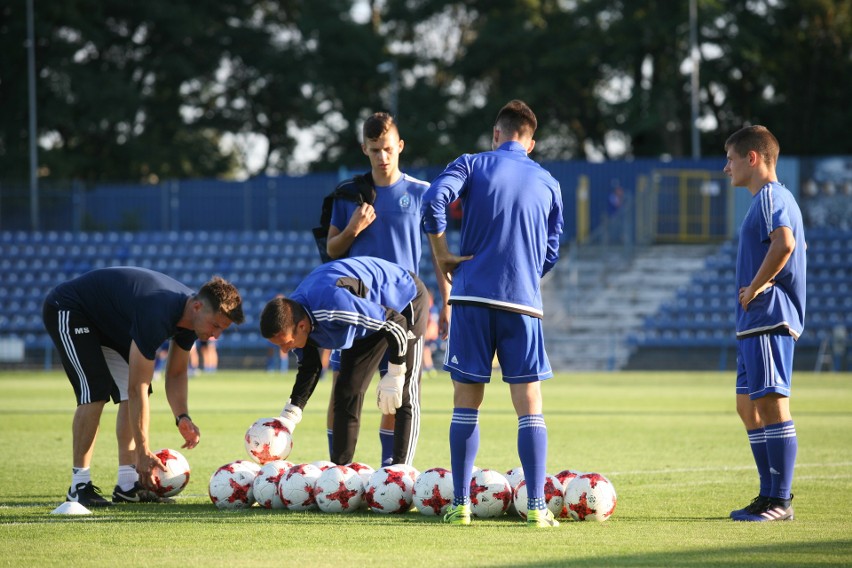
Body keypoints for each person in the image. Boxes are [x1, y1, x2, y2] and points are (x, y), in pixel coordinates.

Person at [421, 99, 564, 527]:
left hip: (471, 298)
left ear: (496, 134)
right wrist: (521, 271)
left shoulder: (472, 163)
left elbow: (433, 200)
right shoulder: (550, 182)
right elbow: (552, 251)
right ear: (532, 142)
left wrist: (442, 252)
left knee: (467, 402)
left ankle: (461, 504)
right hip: (522, 303)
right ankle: (537, 507)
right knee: (529, 404)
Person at [42, 267, 244, 507]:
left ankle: (127, 485)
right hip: (70, 308)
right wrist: (143, 449)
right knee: (95, 392)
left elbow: (177, 373)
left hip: (109, 324)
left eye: (222, 329)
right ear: (198, 308)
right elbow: (136, 386)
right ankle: (79, 486)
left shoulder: (192, 319)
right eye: (216, 326)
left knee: (138, 394)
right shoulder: (157, 311)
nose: (216, 335)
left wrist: (182, 417)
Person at [324, 112, 449, 466]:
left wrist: (447, 304)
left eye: (389, 148)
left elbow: (441, 257)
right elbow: (333, 249)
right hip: (357, 305)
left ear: (401, 147)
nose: (383, 156)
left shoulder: (422, 194)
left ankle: (390, 474)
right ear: (364, 148)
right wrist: (353, 228)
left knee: (395, 394)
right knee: (342, 392)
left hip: (404, 307)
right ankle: (340, 470)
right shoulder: (349, 195)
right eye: (375, 149)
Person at [259, 256, 429, 466]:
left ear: (302, 326)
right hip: (368, 312)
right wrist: (289, 416)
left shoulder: (333, 307)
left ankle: (401, 473)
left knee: (403, 392)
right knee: (346, 391)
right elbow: (310, 367)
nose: (284, 350)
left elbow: (395, 322)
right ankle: (340, 472)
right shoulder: (294, 315)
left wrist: (395, 372)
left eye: (286, 343)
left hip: (403, 300)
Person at [723, 125, 806, 522]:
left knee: (772, 405)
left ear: (752, 158)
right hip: (753, 323)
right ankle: (767, 493)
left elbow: (785, 243)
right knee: (748, 408)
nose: (727, 168)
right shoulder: (763, 200)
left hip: (769, 318)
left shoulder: (771, 195)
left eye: (731, 159)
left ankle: (780, 501)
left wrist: (756, 287)